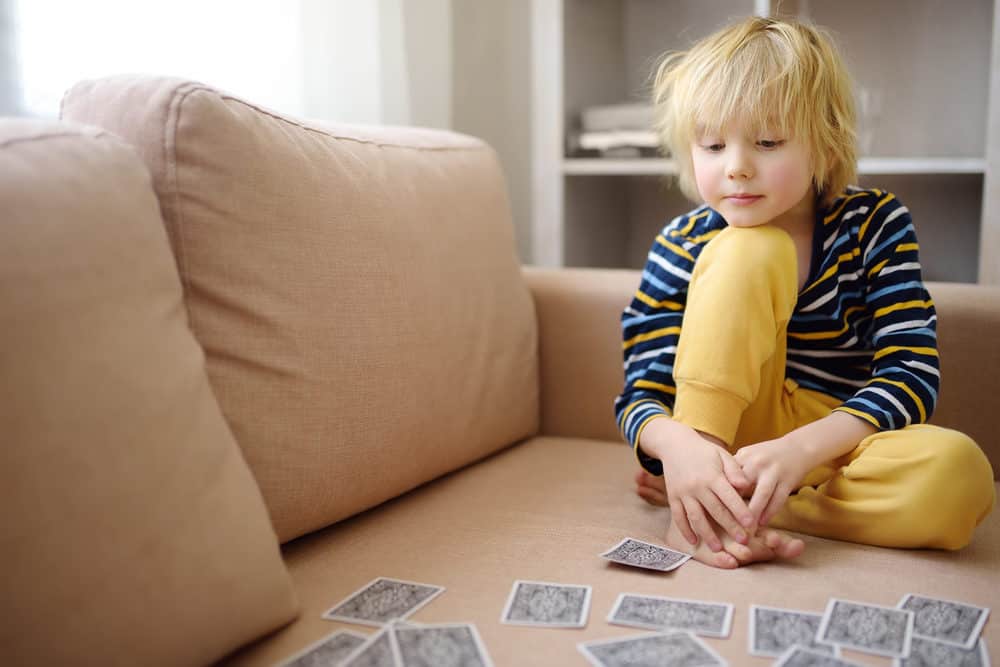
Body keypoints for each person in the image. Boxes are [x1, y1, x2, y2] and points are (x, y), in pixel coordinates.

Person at [614, 16, 995, 569]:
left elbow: (912, 374)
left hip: (830, 446)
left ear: (824, 143)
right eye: (714, 144)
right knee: (750, 248)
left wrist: (801, 450)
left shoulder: (875, 224)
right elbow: (641, 392)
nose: (738, 167)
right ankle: (705, 497)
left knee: (960, 473)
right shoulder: (681, 242)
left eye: (767, 142)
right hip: (721, 439)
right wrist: (681, 450)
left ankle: (738, 505)